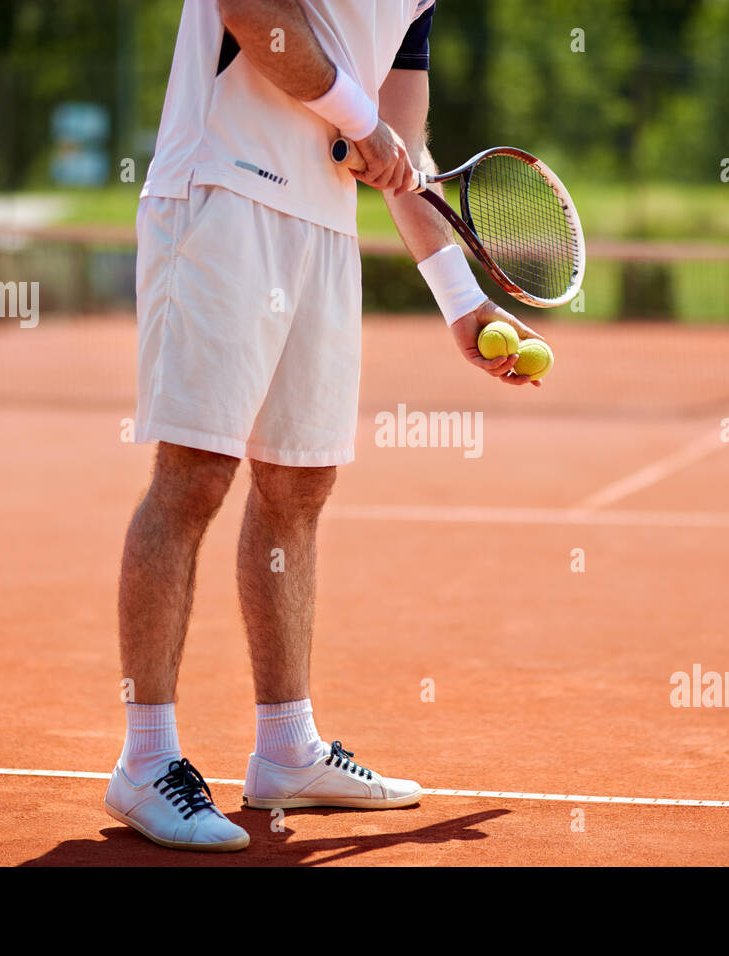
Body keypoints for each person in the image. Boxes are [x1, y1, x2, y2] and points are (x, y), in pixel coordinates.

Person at [104, 0, 541, 852]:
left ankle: (286, 750)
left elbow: (404, 151)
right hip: (221, 194)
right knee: (193, 474)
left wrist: (464, 303)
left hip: (323, 227)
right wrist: (358, 118)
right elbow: (251, 14)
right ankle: (145, 761)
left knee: (298, 484)